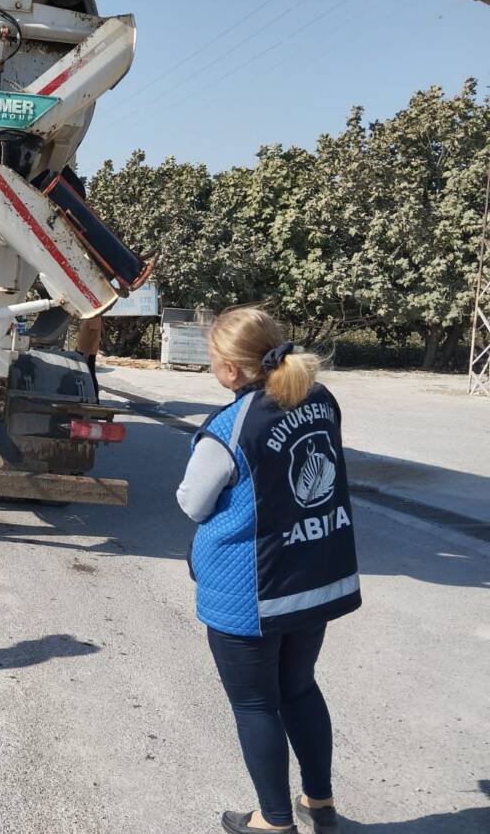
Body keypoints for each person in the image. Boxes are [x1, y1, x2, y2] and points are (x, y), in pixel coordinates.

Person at [176, 307, 360, 834]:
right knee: (299, 686)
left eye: (214, 361)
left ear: (231, 371)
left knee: (255, 704)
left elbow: (193, 503)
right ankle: (318, 802)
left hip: (250, 588)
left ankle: (273, 821)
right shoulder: (320, 399)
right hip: (313, 573)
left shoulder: (228, 427)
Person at [76, 314, 102, 402]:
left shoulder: (94, 316)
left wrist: (87, 353)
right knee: (84, 375)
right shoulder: (88, 315)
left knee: (90, 374)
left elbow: (94, 337)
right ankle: (85, 396)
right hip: (83, 350)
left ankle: (95, 399)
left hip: (88, 353)